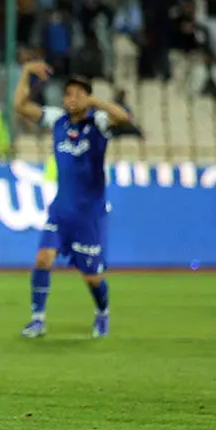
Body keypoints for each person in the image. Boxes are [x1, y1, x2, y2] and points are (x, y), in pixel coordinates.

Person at [12, 61, 130, 339]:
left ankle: (102, 312)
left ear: (87, 98)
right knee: (43, 259)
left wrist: (96, 102)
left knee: (91, 277)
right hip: (61, 210)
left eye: (78, 93)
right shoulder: (58, 121)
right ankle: (37, 319)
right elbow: (20, 106)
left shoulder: (98, 123)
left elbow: (123, 118)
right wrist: (26, 72)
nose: (71, 98)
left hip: (89, 214)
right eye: (68, 93)